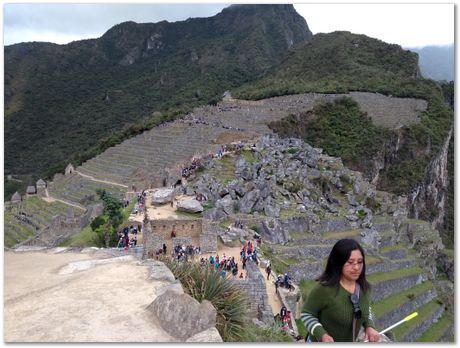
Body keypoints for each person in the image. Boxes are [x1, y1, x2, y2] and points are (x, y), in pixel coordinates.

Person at [300, 239, 380, 342]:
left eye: (360, 262)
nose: (356, 267)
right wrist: (322, 335)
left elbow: (365, 308)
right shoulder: (325, 289)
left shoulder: (363, 287)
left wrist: (369, 326)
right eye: (350, 262)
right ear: (338, 263)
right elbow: (307, 314)